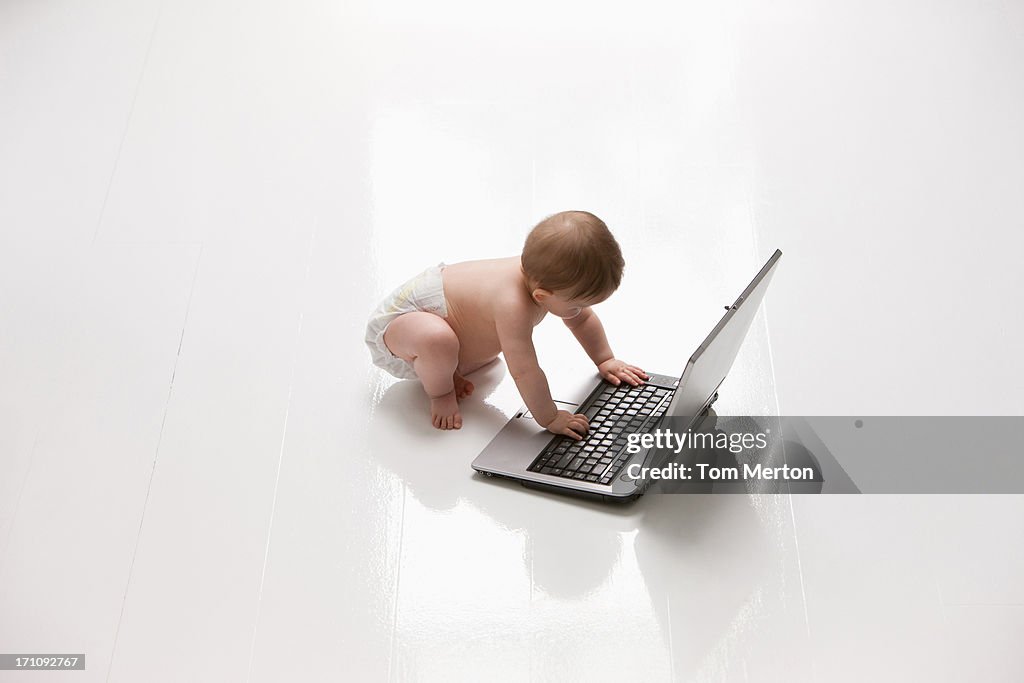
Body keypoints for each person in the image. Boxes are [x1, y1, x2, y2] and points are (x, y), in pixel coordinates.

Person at [365, 210, 648, 433]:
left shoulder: (545, 274)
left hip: (453, 337)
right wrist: (550, 417)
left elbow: (582, 321)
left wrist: (605, 360)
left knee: (480, 353)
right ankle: (440, 390)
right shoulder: (512, 304)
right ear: (541, 295)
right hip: (401, 331)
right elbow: (524, 370)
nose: (582, 310)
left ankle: (449, 366)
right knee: (437, 340)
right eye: (577, 304)